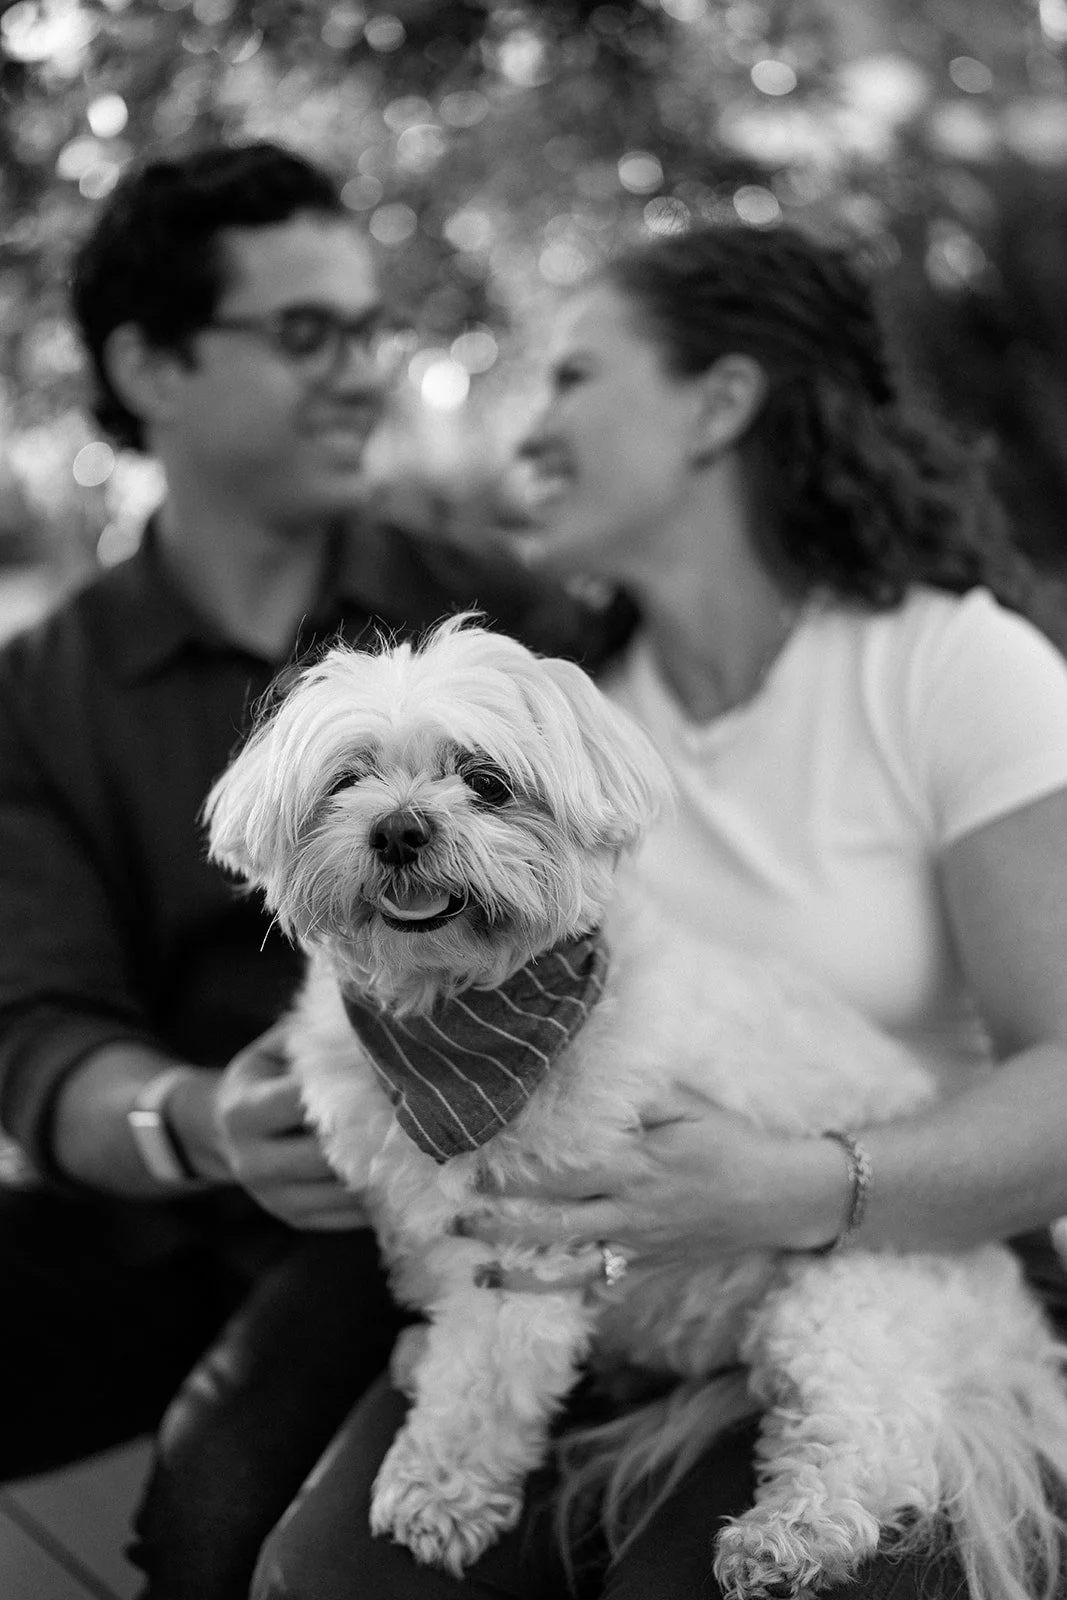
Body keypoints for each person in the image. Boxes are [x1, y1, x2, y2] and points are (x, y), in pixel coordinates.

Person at [251, 223, 1067, 1599]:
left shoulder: (956, 669)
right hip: (572, 1292)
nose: (529, 423)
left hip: (904, 1255)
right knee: (322, 1579)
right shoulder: (555, 712)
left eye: (571, 376)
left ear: (719, 403)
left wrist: (788, 1185)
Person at [0, 140, 617, 1600]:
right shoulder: (40, 691)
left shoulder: (502, 617)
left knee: (210, 1526)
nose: (359, 371)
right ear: (150, 365)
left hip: (428, 1183)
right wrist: (193, 1120)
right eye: (303, 334)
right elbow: (34, 1028)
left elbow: (611, 894)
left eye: (365, 330)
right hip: (166, 1189)